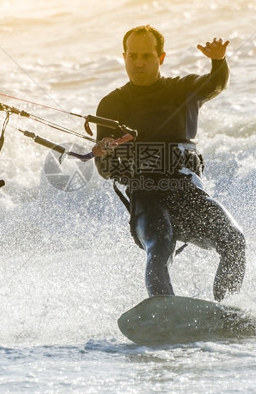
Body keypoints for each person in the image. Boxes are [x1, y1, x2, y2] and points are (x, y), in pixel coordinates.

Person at [92, 25, 245, 302]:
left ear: (161, 57)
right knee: (160, 245)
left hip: (187, 192)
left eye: (147, 56)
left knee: (234, 240)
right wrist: (106, 153)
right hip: (146, 198)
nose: (138, 63)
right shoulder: (111, 105)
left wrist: (218, 61)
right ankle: (164, 312)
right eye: (133, 56)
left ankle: (228, 308)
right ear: (123, 56)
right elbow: (105, 170)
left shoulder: (183, 90)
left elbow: (215, 84)